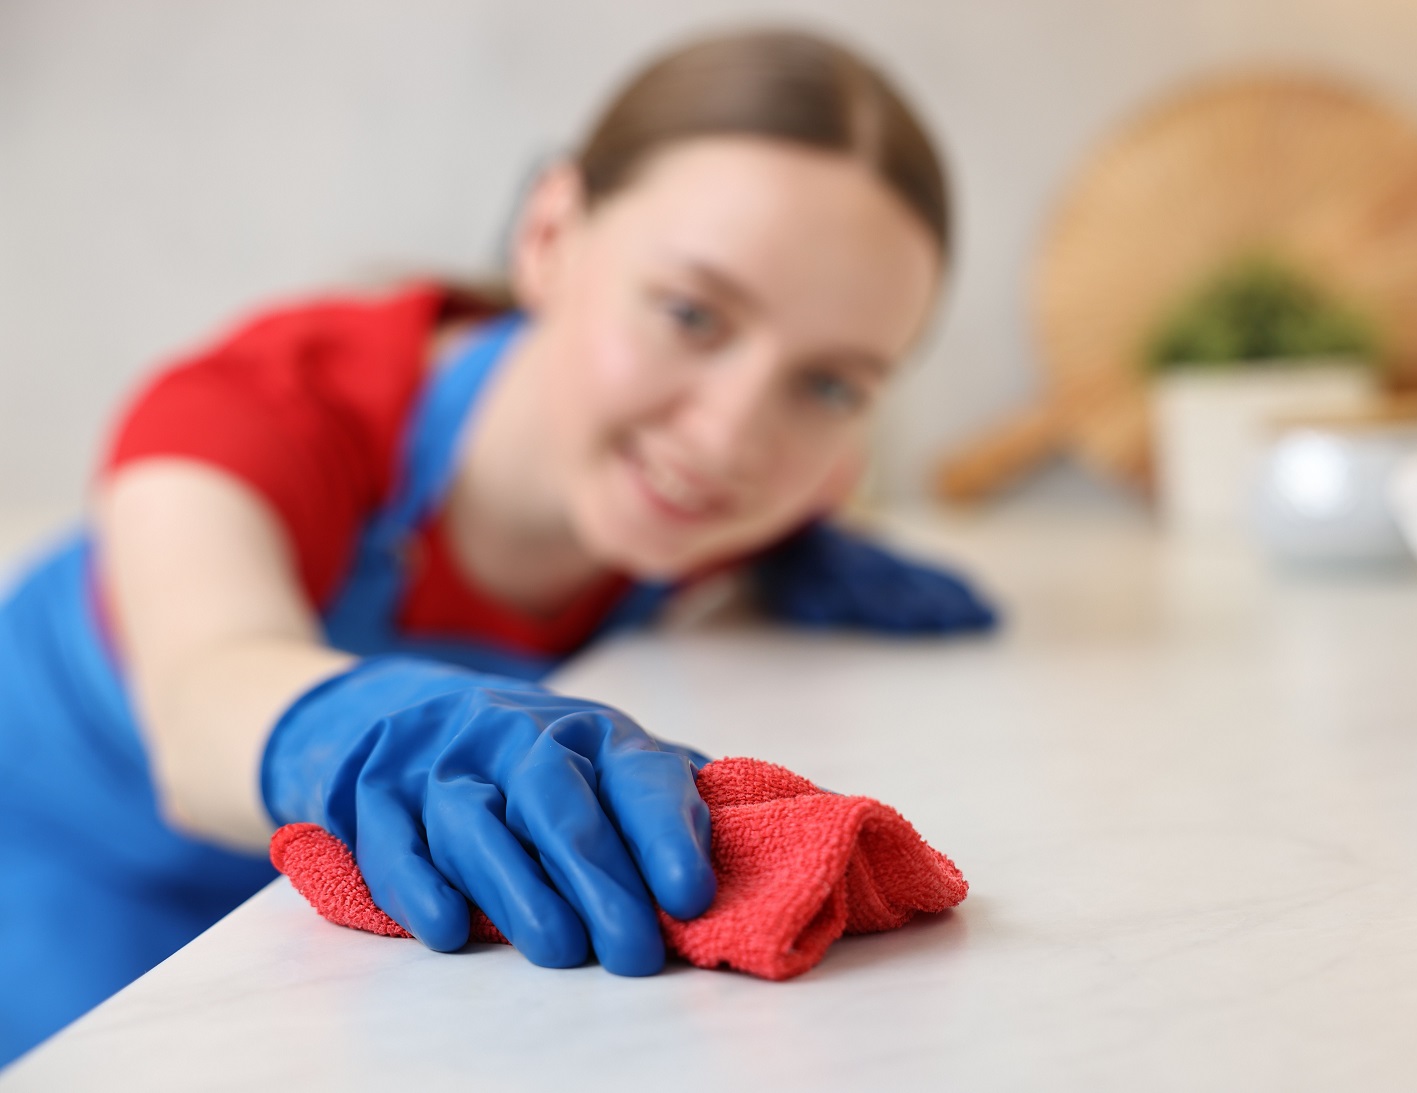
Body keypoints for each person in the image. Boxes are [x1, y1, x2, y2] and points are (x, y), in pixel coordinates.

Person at [0, 27, 996, 1065]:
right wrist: (376, 730)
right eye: (692, 313)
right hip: (65, 860)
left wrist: (790, 549)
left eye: (829, 383)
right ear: (551, 232)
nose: (730, 435)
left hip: (329, 915)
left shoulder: (738, 493)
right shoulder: (255, 412)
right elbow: (201, 699)